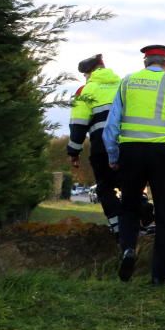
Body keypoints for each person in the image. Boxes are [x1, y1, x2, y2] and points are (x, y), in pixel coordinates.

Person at [103, 44, 165, 284]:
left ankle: (128, 249)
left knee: (128, 206)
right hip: (163, 155)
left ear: (145, 63)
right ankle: (160, 275)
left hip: (130, 152)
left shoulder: (127, 83)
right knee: (164, 214)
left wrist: (113, 155)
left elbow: (111, 126)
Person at [67, 54, 122, 237]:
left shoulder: (85, 91)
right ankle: (140, 213)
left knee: (104, 188)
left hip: (102, 148)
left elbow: (78, 125)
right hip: (131, 146)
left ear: (88, 73)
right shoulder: (124, 85)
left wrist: (74, 152)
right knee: (131, 185)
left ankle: (118, 228)